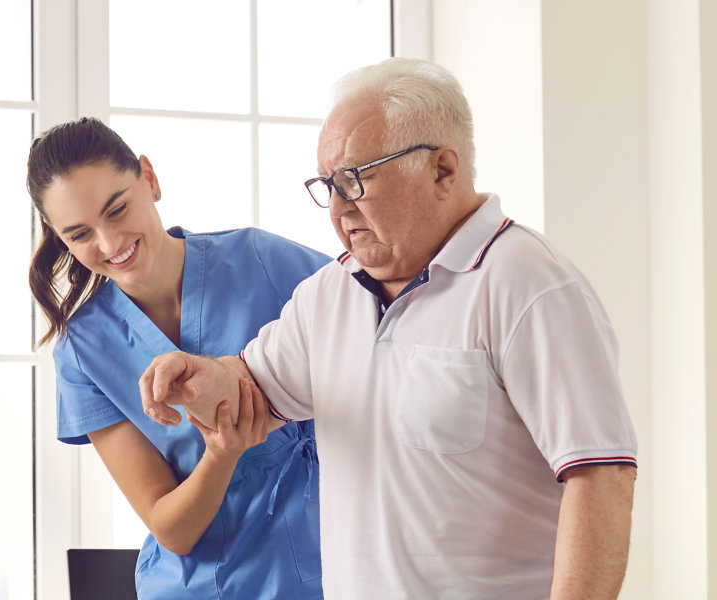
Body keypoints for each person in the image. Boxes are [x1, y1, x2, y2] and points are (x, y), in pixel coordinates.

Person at [137, 58, 639, 599]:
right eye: (327, 185)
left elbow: (601, 478)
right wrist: (195, 377)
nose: (336, 209)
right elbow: (246, 393)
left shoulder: (528, 283)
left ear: (443, 169)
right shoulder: (328, 293)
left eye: (354, 180)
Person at [27, 117, 331, 598]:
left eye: (117, 209)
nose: (109, 245)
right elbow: (171, 527)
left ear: (149, 178)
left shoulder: (263, 261)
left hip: (322, 571)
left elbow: (379, 328)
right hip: (198, 587)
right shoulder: (82, 351)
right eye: (80, 234)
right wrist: (220, 453)